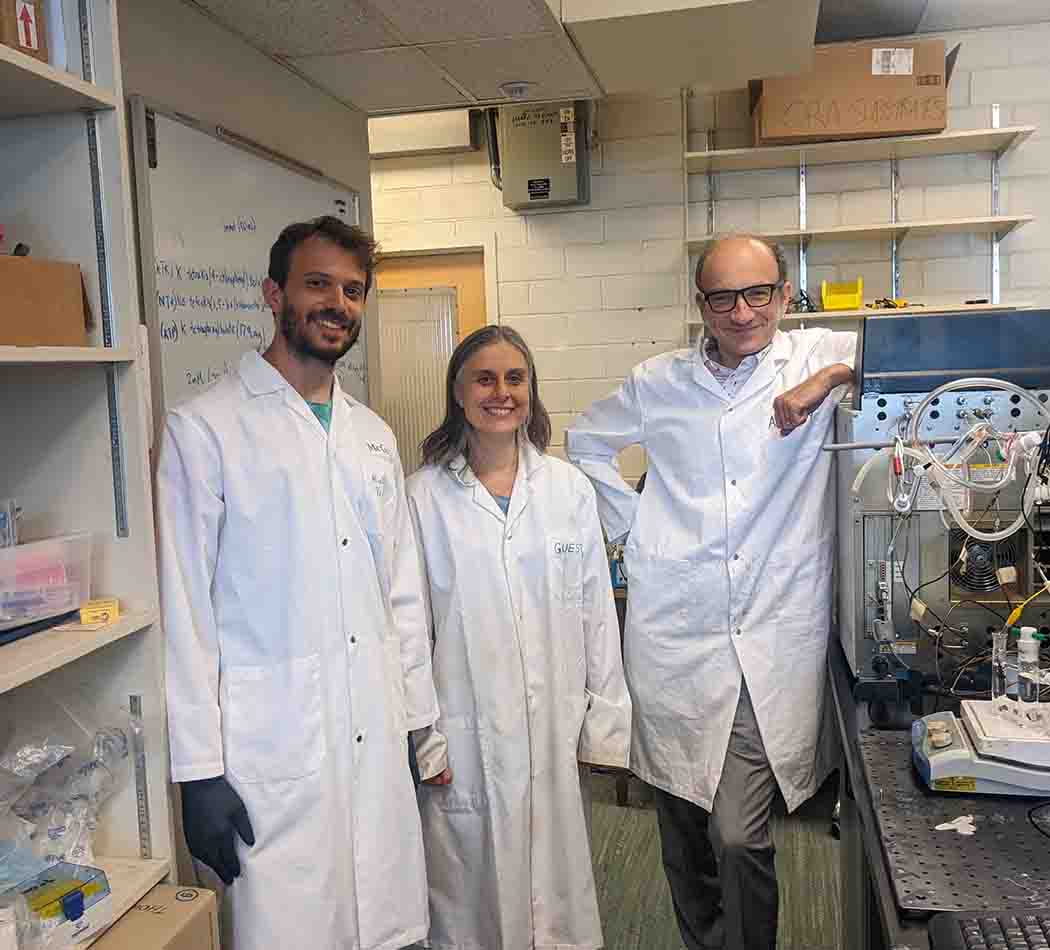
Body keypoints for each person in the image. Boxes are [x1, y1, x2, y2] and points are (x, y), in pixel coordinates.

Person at [155, 216, 440, 950]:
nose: (338, 304)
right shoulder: (206, 429)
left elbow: (401, 595)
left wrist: (415, 723)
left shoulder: (373, 436)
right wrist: (198, 773)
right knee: (289, 929)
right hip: (267, 749)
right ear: (274, 293)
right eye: (319, 284)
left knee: (385, 926)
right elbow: (184, 612)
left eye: (353, 290)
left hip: (374, 729)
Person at [565, 234, 857, 950]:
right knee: (683, 828)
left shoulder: (815, 354)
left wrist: (835, 378)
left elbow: (923, 358)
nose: (742, 311)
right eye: (722, 297)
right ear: (701, 305)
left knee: (738, 833)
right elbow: (584, 442)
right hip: (676, 634)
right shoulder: (657, 381)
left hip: (770, 633)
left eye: (759, 292)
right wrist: (640, 531)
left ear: (785, 296)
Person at [406, 325, 632, 950]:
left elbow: (596, 617)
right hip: (464, 735)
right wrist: (425, 736)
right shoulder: (422, 498)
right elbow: (408, 629)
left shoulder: (567, 491)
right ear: (457, 391)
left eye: (515, 378)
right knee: (470, 901)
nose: (501, 392)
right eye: (484, 378)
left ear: (532, 390)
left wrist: (606, 726)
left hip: (553, 730)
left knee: (556, 895)